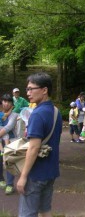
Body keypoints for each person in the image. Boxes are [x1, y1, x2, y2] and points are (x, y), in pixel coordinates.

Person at [16, 72, 62, 217]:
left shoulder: (37, 114)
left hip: (36, 174)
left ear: (44, 90)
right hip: (51, 170)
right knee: (45, 210)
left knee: (27, 213)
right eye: (27, 89)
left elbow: (34, 147)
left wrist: (23, 176)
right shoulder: (55, 111)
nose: (28, 93)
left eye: (31, 89)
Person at [0, 94, 18, 195]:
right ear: (2, 102)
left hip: (11, 141)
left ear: (11, 103)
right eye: (4, 101)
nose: (6, 103)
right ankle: (1, 179)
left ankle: (10, 184)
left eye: (8, 101)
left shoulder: (14, 115)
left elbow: (9, 126)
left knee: (9, 162)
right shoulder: (0, 114)